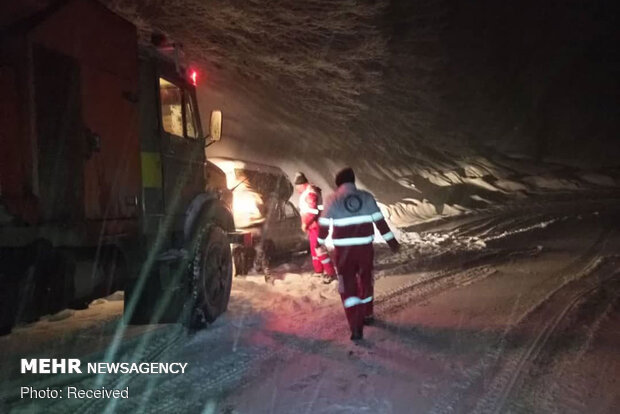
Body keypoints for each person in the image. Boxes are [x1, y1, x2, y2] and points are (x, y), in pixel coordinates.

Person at [318, 167, 400, 341]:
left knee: (347, 287)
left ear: (338, 183)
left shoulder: (332, 199)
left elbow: (323, 225)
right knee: (365, 280)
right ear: (352, 181)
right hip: (364, 249)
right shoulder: (366, 197)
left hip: (343, 252)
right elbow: (380, 222)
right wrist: (392, 242)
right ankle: (367, 313)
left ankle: (355, 326)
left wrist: (319, 242)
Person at [294, 172, 336, 284]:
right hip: (314, 225)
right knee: (314, 249)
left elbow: (312, 211)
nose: (297, 190)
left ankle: (331, 273)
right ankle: (319, 271)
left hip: (316, 225)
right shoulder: (310, 192)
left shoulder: (310, 193)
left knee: (319, 249)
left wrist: (305, 223)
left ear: (302, 184)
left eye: (297, 187)